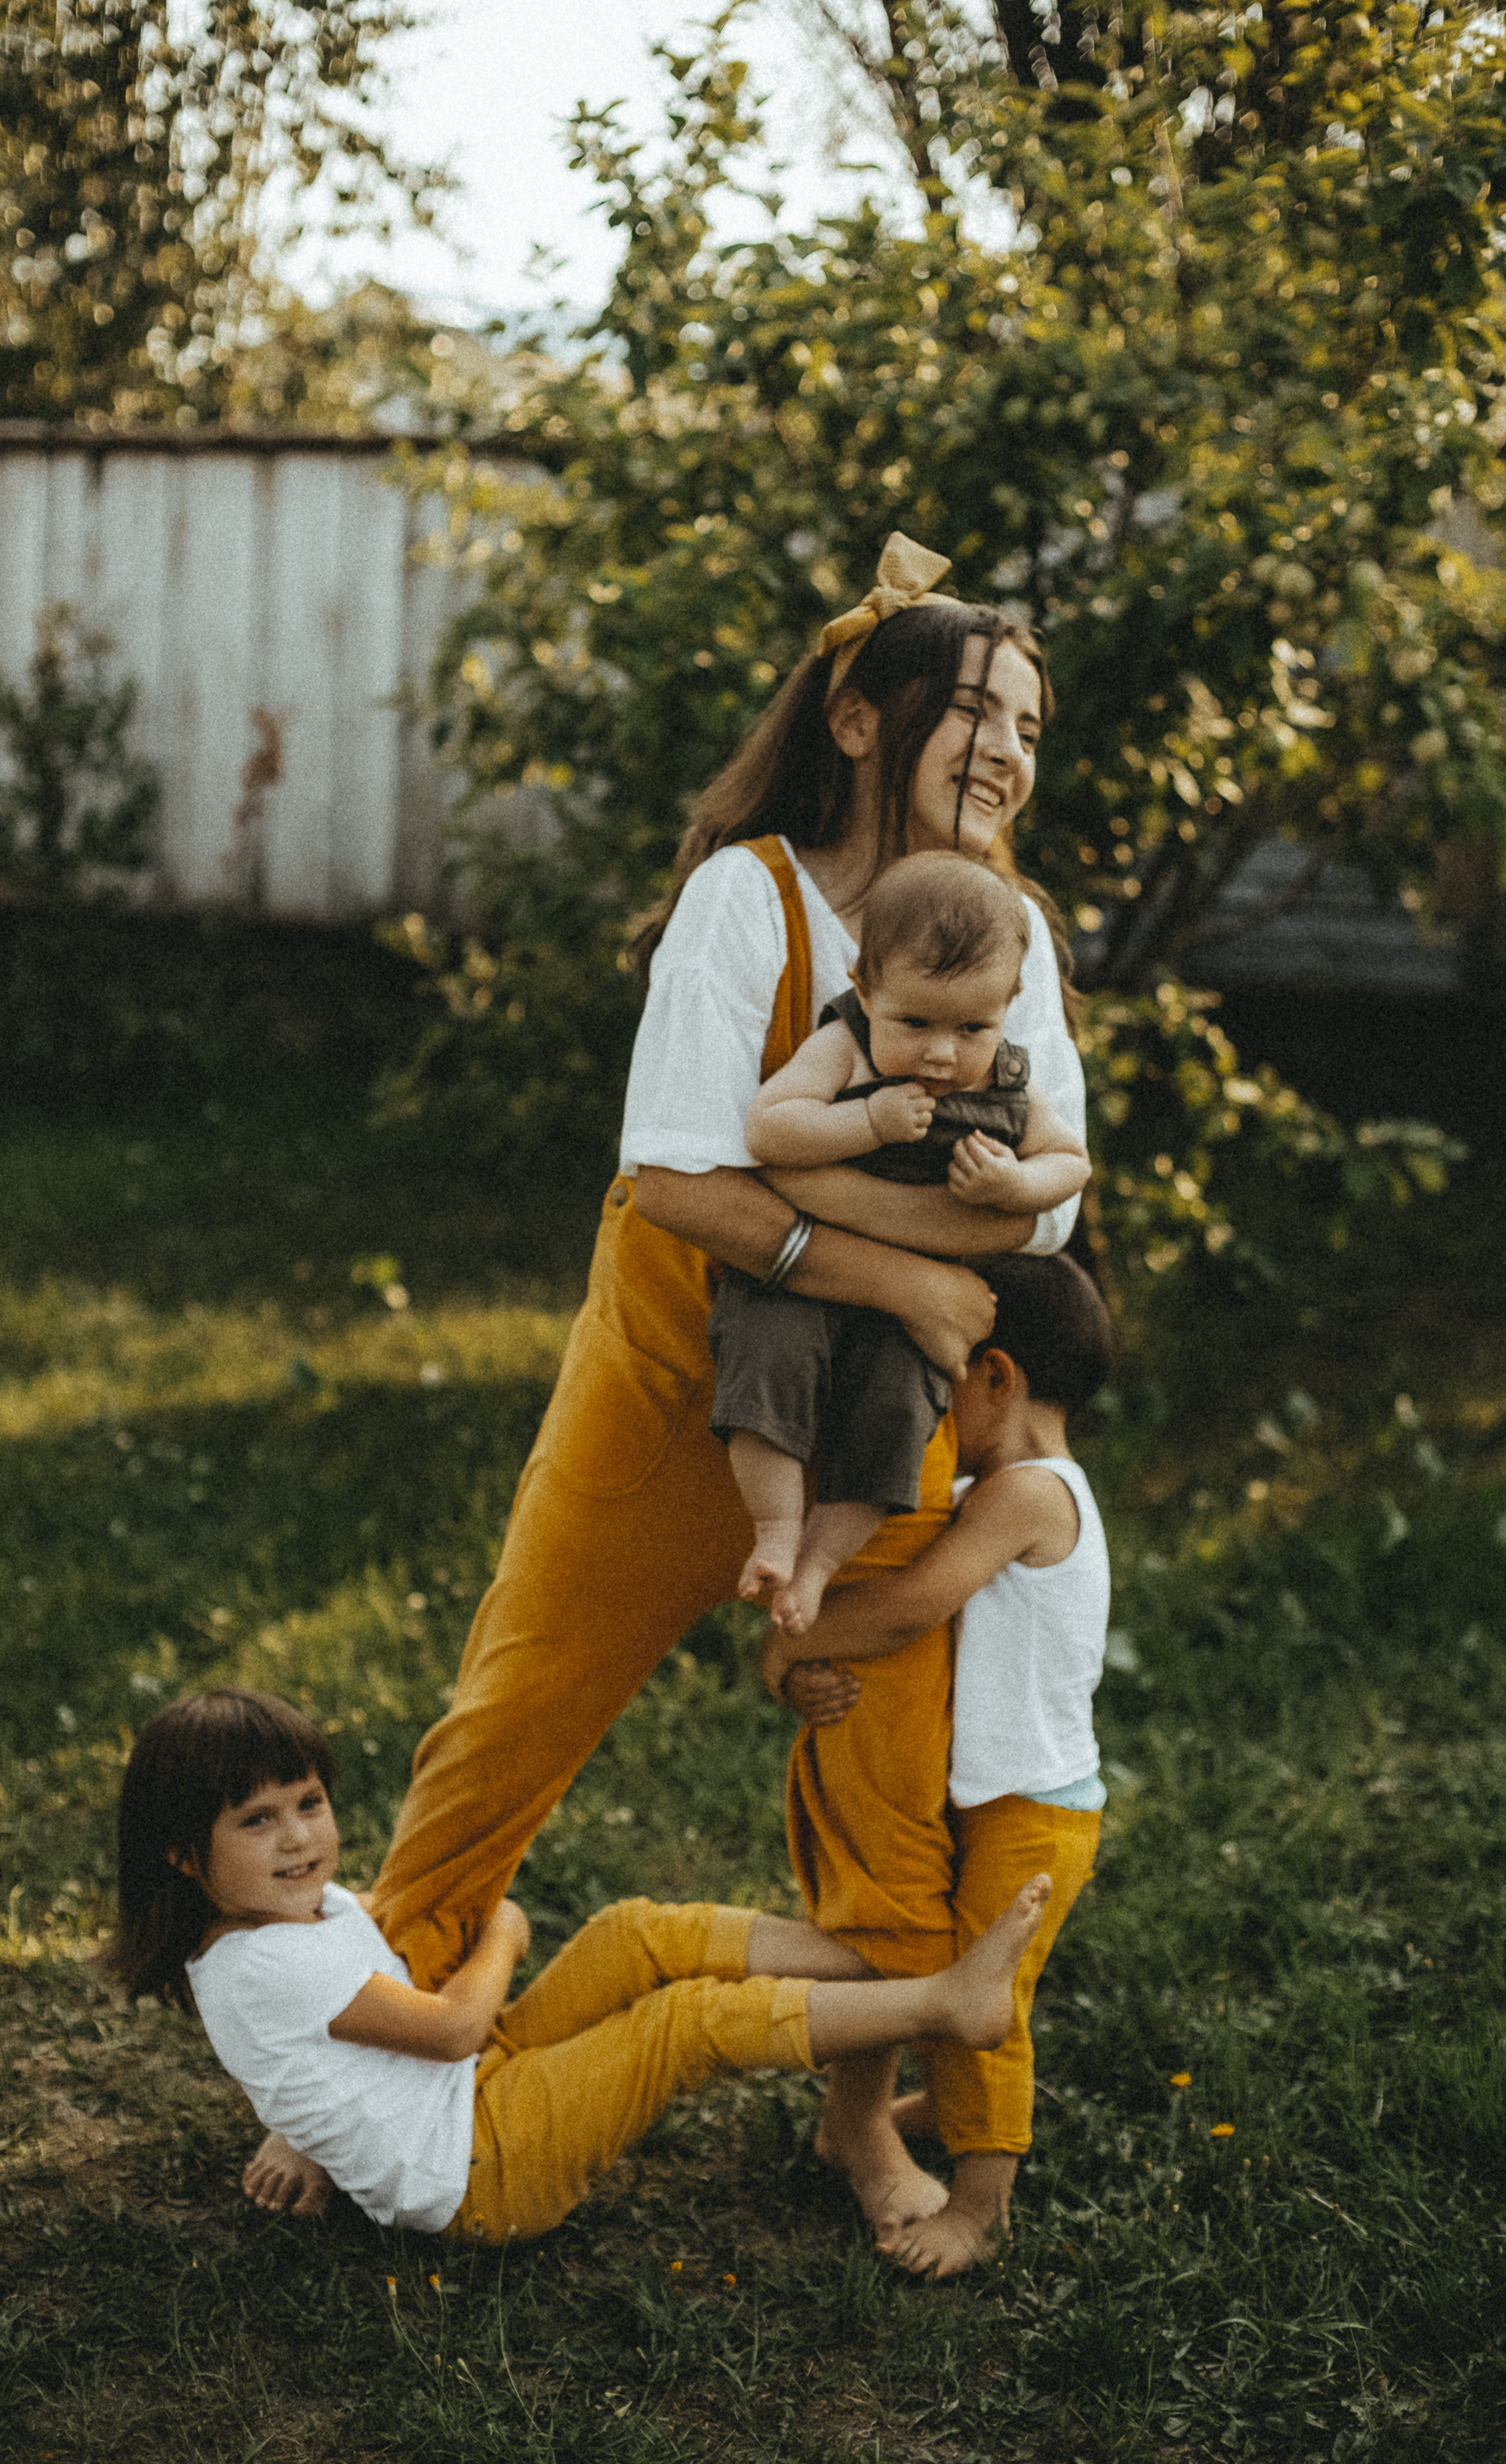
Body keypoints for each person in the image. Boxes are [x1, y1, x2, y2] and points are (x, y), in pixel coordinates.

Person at [369, 531, 1088, 2243]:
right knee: (506, 1730)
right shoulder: (745, 899)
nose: (1004, 751)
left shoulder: (1015, 935)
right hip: (665, 1392)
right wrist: (916, 1266)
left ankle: (861, 2120)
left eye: (1031, 727)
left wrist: (902, 1223)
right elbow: (674, 1181)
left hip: (883, 1424)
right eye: (974, 709)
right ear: (860, 716)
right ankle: (376, 2051)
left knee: (883, 1777)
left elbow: (1055, 1193)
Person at [108, 1685, 1054, 2246]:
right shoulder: (262, 1963)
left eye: (307, 1803)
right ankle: (939, 2000)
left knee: (630, 1933)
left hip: (476, 2096)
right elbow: (446, 2030)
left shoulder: (303, 1911)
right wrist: (504, 1939)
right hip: (479, 2170)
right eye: (257, 1822)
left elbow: (317, 2063)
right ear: (183, 1855)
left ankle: (880, 1955)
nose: (299, 1838)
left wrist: (301, 2135)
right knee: (679, 2023)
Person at [759, 1253, 1114, 2279]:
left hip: (1033, 1808)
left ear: (994, 1376)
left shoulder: (1031, 1495)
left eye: (939, 1375)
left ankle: (977, 2207)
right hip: (990, 1796)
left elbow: (915, 1604)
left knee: (981, 2009)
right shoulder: (995, 1485)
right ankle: (898, 2116)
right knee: (931, 1973)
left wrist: (797, 1638)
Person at [712, 852, 1089, 1632]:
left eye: (972, 1028)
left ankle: (817, 1567)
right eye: (914, 1023)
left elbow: (1070, 1162)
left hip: (909, 1312)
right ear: (865, 985)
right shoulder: (845, 1047)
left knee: (896, 1420)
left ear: (1008, 1007)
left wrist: (1014, 1187)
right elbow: (767, 1126)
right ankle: (777, 1531)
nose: (941, 1054)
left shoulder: (1010, 1083)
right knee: (766, 1366)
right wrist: (865, 1120)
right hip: (805, 1277)